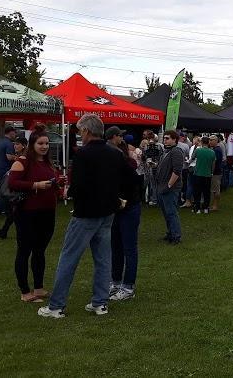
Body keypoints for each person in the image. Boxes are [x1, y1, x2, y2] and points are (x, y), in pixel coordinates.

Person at [38, 114, 129, 318]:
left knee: (69, 258)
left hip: (86, 214)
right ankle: (100, 303)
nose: (80, 134)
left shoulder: (83, 154)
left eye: (80, 131)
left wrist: (70, 193)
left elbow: (78, 185)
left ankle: (56, 306)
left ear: (86, 131)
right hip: (108, 212)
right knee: (103, 259)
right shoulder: (115, 153)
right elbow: (123, 179)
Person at [7, 131, 58, 303]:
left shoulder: (48, 162)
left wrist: (58, 184)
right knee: (24, 250)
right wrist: (36, 185)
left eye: (46, 143)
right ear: (32, 145)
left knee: (39, 251)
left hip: (47, 212)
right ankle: (25, 291)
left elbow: (51, 182)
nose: (44, 147)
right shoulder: (22, 161)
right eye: (40, 143)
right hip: (27, 212)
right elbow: (12, 183)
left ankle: (38, 288)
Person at [110, 139, 145, 300]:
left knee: (129, 247)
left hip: (129, 209)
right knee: (115, 246)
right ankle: (116, 281)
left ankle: (128, 286)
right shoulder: (112, 167)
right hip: (117, 210)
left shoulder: (128, 167)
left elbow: (133, 190)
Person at [0, 137, 28, 239]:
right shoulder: (19, 156)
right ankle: (4, 231)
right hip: (14, 187)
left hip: (18, 188)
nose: (15, 146)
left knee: (15, 211)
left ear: (23, 146)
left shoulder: (24, 158)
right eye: (14, 144)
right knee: (12, 212)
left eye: (17, 144)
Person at [156, 130, 184, 244]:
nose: (165, 140)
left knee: (171, 212)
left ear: (174, 139)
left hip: (170, 187)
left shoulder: (176, 151)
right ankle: (171, 233)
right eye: (164, 138)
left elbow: (177, 171)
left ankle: (176, 236)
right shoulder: (166, 151)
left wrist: (169, 185)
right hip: (162, 186)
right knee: (166, 212)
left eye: (167, 138)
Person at [192, 137, 215, 214]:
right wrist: (211, 172)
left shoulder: (198, 150)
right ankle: (206, 208)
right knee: (206, 192)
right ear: (208, 142)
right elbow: (213, 164)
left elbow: (192, 158)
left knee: (197, 192)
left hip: (198, 174)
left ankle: (197, 208)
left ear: (201, 142)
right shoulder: (212, 152)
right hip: (207, 174)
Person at [142, 134, 164, 205]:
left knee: (155, 184)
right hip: (152, 167)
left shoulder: (160, 146)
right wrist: (149, 161)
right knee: (153, 184)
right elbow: (145, 156)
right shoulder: (147, 146)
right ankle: (154, 199)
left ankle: (156, 199)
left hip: (158, 167)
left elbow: (162, 156)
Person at [177, 132, 191, 207]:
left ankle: (179, 199)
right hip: (184, 167)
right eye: (184, 137)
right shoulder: (186, 145)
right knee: (184, 184)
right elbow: (188, 156)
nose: (185, 138)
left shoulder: (175, 145)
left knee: (178, 184)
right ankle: (183, 198)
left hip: (178, 168)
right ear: (181, 137)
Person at [209, 135, 223, 211]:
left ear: (216, 141)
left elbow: (215, 161)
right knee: (213, 189)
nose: (210, 142)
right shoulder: (215, 149)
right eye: (209, 140)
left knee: (216, 190)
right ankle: (213, 205)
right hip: (216, 172)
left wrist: (212, 171)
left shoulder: (217, 150)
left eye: (211, 140)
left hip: (216, 172)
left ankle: (215, 206)